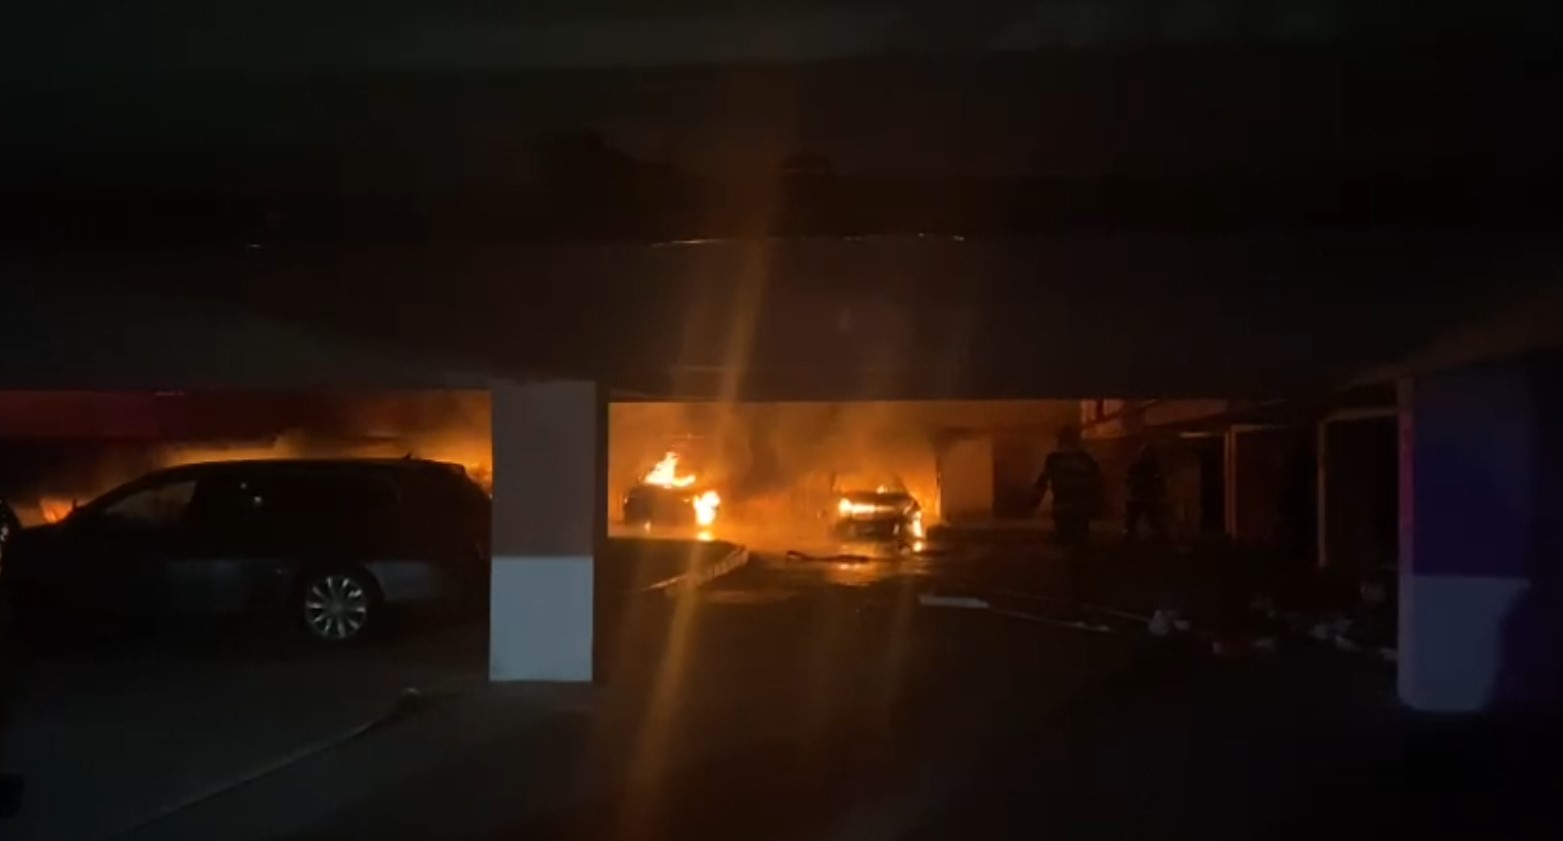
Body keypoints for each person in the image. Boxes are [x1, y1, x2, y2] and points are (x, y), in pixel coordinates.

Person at [1035, 426, 1104, 613]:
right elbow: (1098, 481)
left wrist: (1034, 502)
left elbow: (1043, 481)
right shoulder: (1086, 459)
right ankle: (1079, 583)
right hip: (1081, 507)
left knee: (1067, 544)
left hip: (1063, 507)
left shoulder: (1054, 459)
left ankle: (1069, 585)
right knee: (1079, 543)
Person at [1123, 442, 1167, 540]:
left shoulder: (1154, 466)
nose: (1147, 455)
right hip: (1137, 495)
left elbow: (1160, 480)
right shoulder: (1136, 466)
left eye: (1149, 453)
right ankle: (1129, 533)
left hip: (1150, 496)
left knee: (1153, 517)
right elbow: (1128, 479)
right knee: (1132, 517)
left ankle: (1157, 534)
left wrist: (1159, 490)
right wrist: (1137, 482)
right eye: (1146, 453)